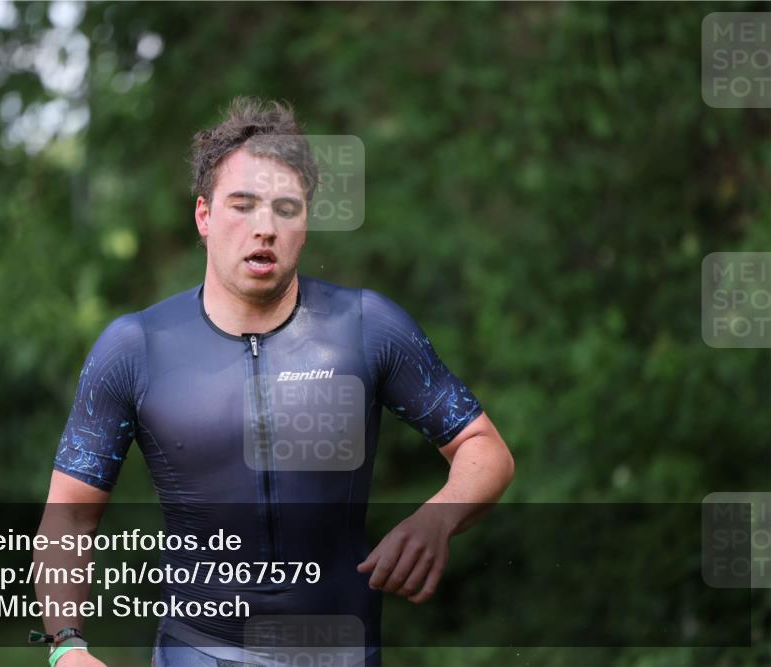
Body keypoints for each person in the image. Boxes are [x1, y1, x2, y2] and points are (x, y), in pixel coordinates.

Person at [35, 97, 515, 667]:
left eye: (286, 208)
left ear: (306, 224)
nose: (265, 228)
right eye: (243, 206)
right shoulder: (136, 347)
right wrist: (66, 648)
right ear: (204, 216)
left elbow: (485, 449)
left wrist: (439, 516)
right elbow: (68, 516)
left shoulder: (366, 328)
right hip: (199, 652)